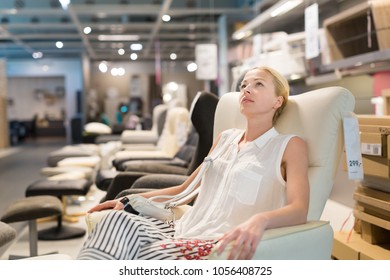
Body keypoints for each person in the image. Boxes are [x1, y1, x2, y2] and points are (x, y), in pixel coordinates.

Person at [77, 66, 309, 260]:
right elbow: (185, 189)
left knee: (143, 256)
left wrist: (260, 220)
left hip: (217, 242)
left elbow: (299, 210)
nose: (247, 89)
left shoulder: (289, 145)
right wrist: (127, 201)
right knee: (115, 221)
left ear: (278, 101)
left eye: (258, 84)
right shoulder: (226, 139)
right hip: (183, 228)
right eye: (244, 85)